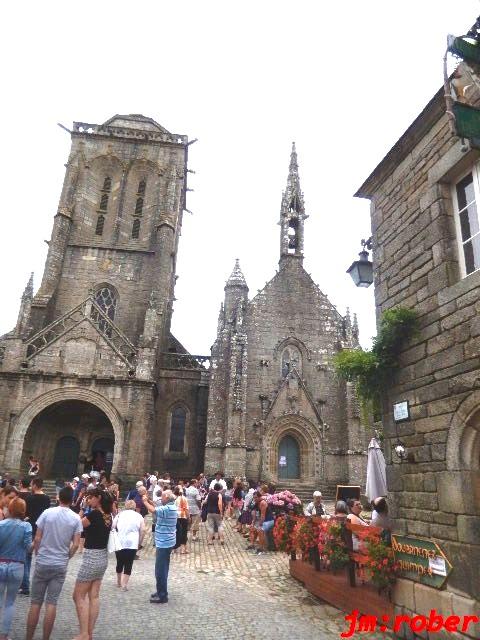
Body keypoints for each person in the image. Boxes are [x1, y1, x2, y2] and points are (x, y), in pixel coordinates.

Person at [25, 486, 82, 640]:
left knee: (36, 602)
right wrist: (67, 557)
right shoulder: (76, 518)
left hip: (43, 560)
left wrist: (38, 553)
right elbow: (76, 544)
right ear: (71, 500)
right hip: (60, 563)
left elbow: (37, 538)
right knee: (52, 603)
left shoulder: (47, 513)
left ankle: (28, 637)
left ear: (58, 497)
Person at [72, 488, 113, 640]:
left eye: (90, 498)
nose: (89, 500)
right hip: (102, 557)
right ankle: (89, 633)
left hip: (91, 557)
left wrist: (82, 509)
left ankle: (83, 634)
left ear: (99, 498)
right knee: (94, 596)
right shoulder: (108, 515)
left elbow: (77, 525)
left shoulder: (95, 514)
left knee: (78, 595)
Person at [0, 497, 32, 640]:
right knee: (10, 602)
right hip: (17, 565)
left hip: (1, 563)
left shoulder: (1, 525)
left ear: (10, 509)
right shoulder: (26, 526)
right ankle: (4, 635)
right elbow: (28, 548)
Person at [141, 488, 177, 604]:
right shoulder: (170, 506)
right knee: (161, 569)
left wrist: (145, 502)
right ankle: (160, 590)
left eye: (162, 496)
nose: (161, 498)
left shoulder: (168, 508)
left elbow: (153, 510)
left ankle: (162, 595)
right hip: (166, 541)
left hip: (164, 542)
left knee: (160, 570)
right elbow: (156, 508)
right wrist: (151, 502)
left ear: (166, 498)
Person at [20, 476, 51, 595]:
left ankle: (25, 585)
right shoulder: (47, 498)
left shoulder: (29, 498)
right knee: (40, 556)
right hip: (42, 530)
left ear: (34, 485)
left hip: (30, 528)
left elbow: (25, 513)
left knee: (27, 557)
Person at [113, 499, 145, 591]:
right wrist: (139, 542)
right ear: (134, 507)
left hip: (119, 542)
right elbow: (143, 530)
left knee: (119, 562)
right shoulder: (139, 516)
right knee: (128, 563)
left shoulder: (119, 515)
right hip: (132, 543)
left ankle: (119, 581)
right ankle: (124, 584)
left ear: (125, 506)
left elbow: (113, 527)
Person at [173, 486, 189, 554]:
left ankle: (174, 548)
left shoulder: (174, 499)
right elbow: (186, 509)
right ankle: (183, 549)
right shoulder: (184, 499)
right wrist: (188, 517)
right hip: (183, 516)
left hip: (176, 517)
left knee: (176, 532)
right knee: (184, 533)